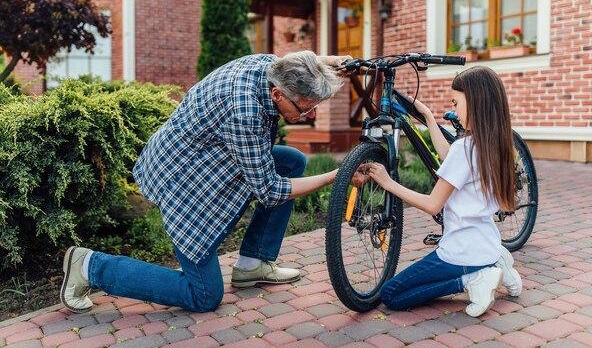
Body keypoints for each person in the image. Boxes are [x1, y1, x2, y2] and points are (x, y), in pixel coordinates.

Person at [60, 51, 359, 314]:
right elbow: (269, 190)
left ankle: (252, 264)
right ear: (278, 95)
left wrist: (328, 62)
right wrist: (339, 174)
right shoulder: (246, 112)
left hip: (205, 154)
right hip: (181, 178)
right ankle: (88, 266)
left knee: (290, 161)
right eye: (305, 109)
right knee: (204, 295)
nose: (312, 114)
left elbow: (291, 60)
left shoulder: (268, 66)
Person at [365, 66, 523, 317]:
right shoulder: (493, 145)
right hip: (485, 243)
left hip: (460, 253)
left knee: (391, 295)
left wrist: (388, 183)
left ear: (474, 102)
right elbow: (449, 157)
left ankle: (475, 279)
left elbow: (432, 205)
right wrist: (428, 117)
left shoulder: (466, 149)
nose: (455, 110)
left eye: (456, 102)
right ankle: (497, 261)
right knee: (408, 287)